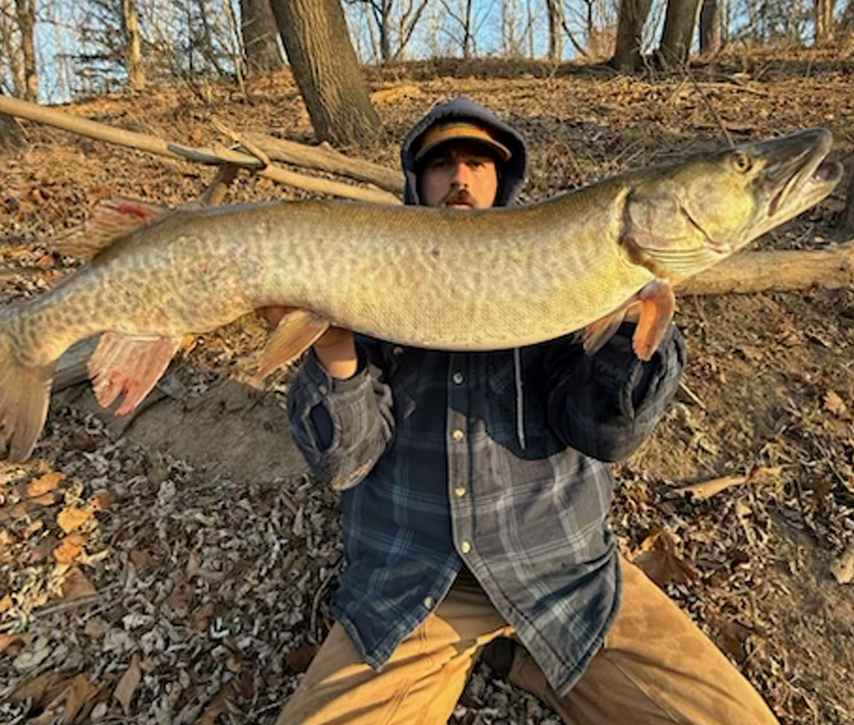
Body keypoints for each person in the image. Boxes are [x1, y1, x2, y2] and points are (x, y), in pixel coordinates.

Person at [269, 97, 779, 725]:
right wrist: (333, 347)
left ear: (502, 180)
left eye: (479, 164)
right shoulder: (365, 278)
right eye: (443, 165)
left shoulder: (569, 267)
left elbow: (603, 433)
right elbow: (345, 462)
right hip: (415, 587)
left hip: (564, 575)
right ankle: (515, 659)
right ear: (416, 180)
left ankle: (523, 656)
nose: (461, 178)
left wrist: (626, 334)